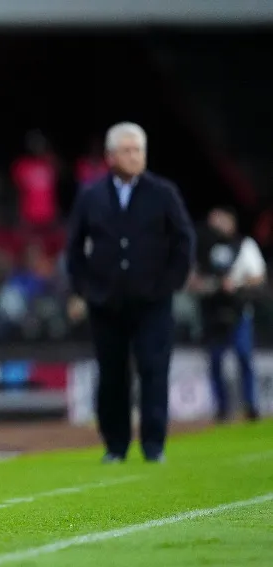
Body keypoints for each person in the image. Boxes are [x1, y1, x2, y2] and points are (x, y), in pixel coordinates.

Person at [65, 121, 194, 463]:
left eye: (139, 150)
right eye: (127, 150)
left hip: (153, 302)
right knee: (112, 375)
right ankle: (115, 446)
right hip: (105, 303)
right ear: (110, 156)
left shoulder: (163, 193)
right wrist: (84, 289)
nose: (135, 156)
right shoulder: (91, 195)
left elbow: (184, 241)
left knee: (154, 369)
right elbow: (74, 248)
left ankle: (154, 445)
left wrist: (170, 283)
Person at [190, 207, 266, 422]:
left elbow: (258, 277)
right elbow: (193, 279)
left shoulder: (243, 245)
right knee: (215, 360)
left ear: (231, 223)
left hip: (239, 309)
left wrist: (236, 284)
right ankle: (222, 409)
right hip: (213, 312)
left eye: (220, 221)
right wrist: (206, 285)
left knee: (243, 356)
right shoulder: (204, 247)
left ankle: (251, 405)